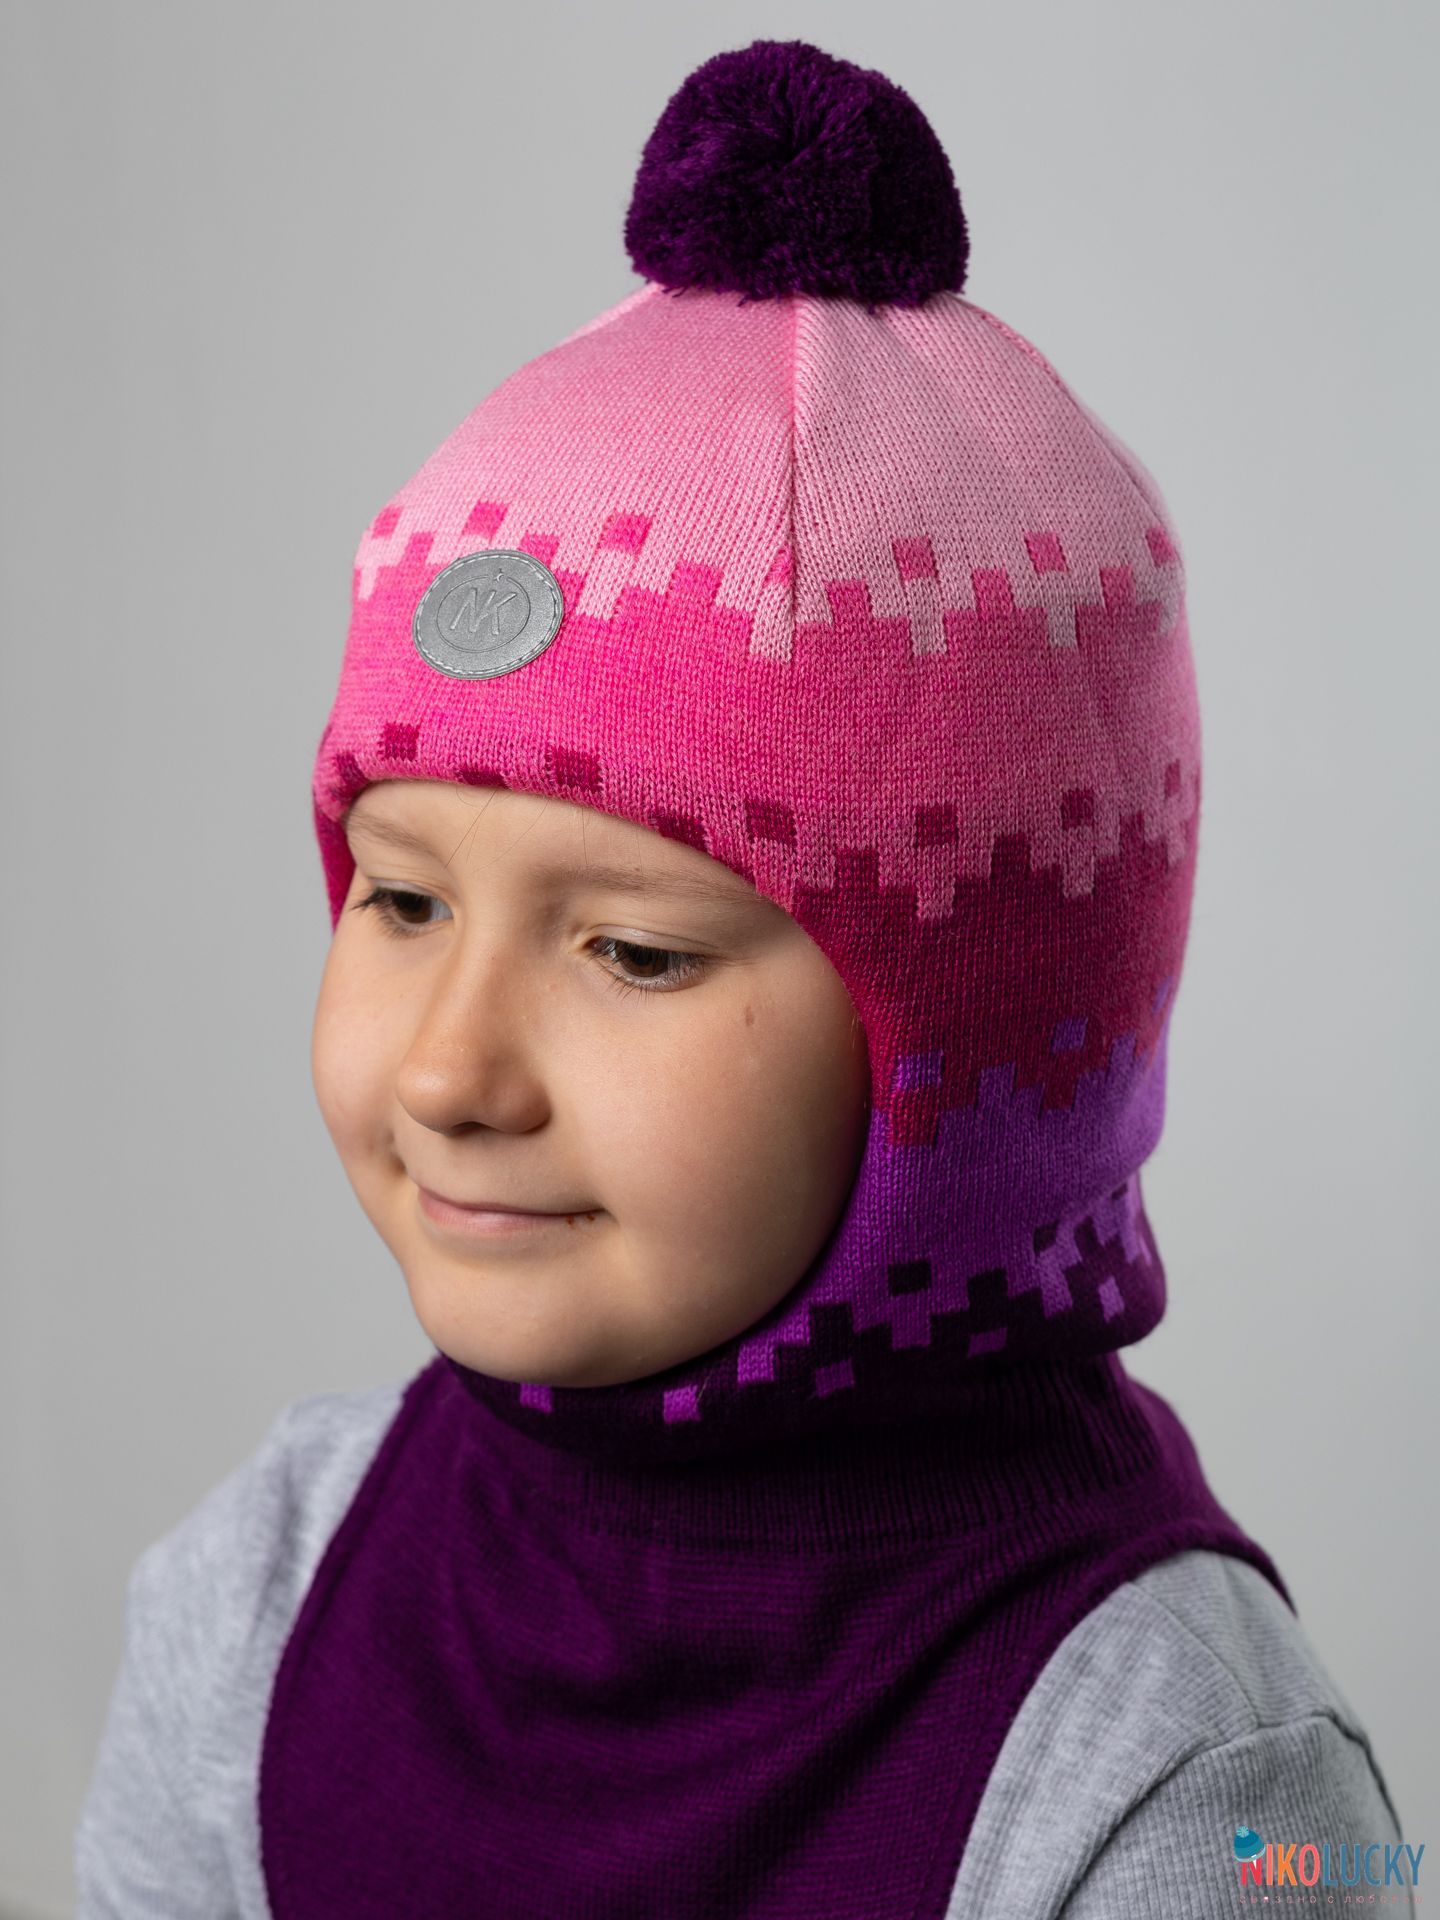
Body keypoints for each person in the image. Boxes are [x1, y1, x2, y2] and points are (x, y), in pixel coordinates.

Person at [74, 36, 1417, 1919]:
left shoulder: (1203, 1786)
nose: (449, 1072)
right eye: (401, 903)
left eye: (634, 950)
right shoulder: (263, 1602)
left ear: (965, 1063)